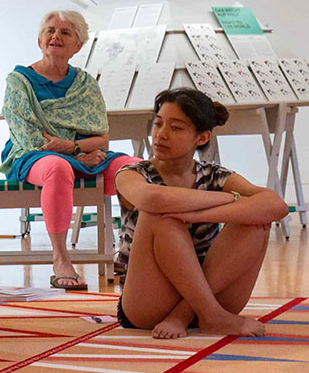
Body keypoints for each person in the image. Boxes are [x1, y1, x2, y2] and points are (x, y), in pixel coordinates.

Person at [116, 88, 288, 339]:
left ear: (202, 137)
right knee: (159, 214)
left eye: (175, 128)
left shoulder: (213, 174)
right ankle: (209, 314)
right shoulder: (133, 173)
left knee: (256, 221)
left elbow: (276, 206)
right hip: (149, 303)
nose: (161, 135)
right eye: (158, 124)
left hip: (212, 295)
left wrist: (199, 215)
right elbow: (153, 198)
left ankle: (192, 314)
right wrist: (230, 200)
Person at [0, 10, 140, 290]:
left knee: (136, 168)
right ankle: (61, 257)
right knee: (57, 167)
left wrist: (75, 147)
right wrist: (77, 153)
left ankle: (130, 250)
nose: (55, 36)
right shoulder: (19, 82)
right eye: (50, 31)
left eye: (65, 32)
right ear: (40, 40)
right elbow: (30, 138)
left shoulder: (85, 84)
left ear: (78, 45)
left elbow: (101, 139)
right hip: (30, 156)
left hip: (83, 156)